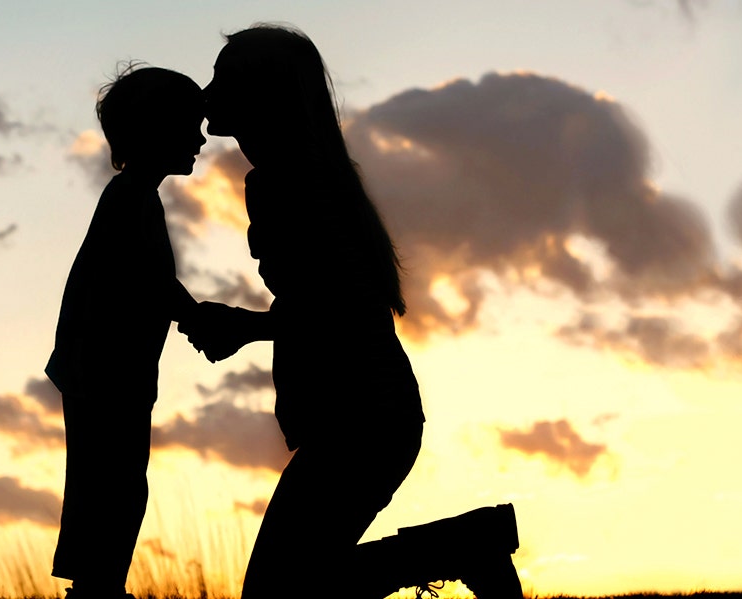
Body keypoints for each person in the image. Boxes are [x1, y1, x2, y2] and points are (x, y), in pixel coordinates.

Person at [180, 25, 523, 598]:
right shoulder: (291, 177)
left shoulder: (293, 183)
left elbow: (344, 306)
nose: (207, 92)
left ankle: (465, 547)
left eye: (225, 78)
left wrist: (248, 326)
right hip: (358, 414)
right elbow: (326, 300)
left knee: (277, 594)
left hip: (362, 415)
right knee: (296, 587)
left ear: (264, 93)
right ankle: (466, 545)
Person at [45, 65, 206, 599]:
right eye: (190, 125)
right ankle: (96, 588)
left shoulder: (135, 195)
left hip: (113, 367)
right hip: (105, 369)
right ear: (156, 129)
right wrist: (198, 316)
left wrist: (192, 313)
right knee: (111, 481)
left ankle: (97, 585)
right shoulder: (129, 196)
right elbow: (149, 277)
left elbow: (150, 280)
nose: (201, 138)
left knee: (112, 479)